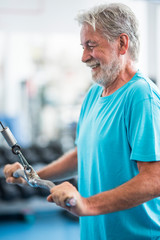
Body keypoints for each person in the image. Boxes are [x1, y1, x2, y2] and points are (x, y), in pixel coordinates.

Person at [3, 3, 160, 240]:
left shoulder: (141, 96)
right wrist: (33, 175)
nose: (84, 56)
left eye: (91, 45)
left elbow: (154, 180)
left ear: (122, 43)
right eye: (83, 46)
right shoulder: (93, 95)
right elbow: (81, 154)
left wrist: (87, 205)